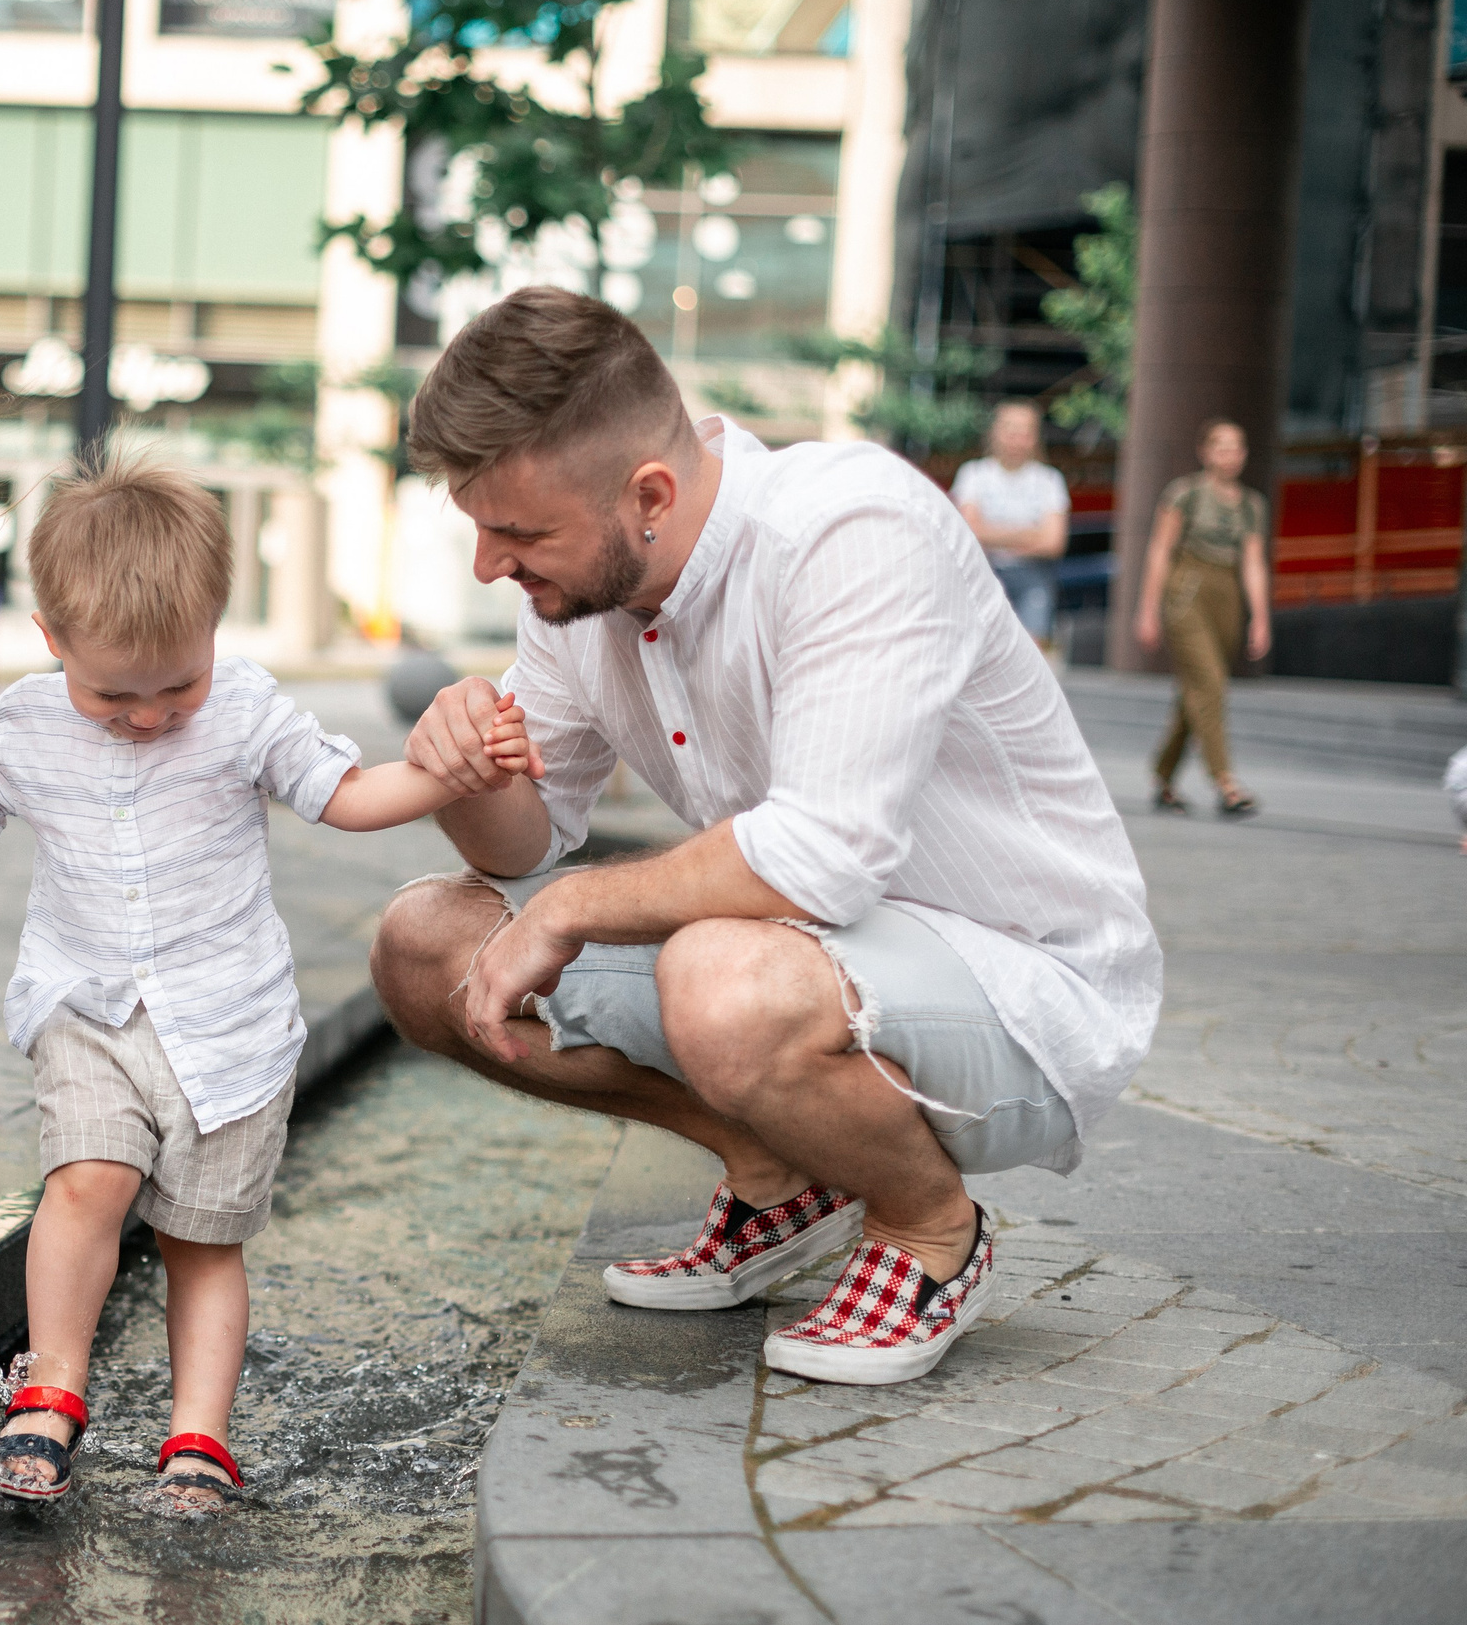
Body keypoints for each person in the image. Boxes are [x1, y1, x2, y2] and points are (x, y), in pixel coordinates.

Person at [370, 288, 1161, 1387]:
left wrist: (573, 906)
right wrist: (467, 771)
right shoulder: (576, 594)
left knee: (721, 978)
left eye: (519, 534)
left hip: (1022, 988)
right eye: (479, 527)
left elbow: (821, 857)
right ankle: (780, 1171)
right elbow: (519, 851)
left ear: (649, 495)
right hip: (806, 959)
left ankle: (929, 1228)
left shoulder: (850, 529)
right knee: (424, 945)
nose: (487, 565)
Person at [0, 455, 531, 1504]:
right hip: (87, 1009)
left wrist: (450, 774)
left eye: (178, 686)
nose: (150, 715)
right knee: (85, 1182)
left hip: (230, 1026)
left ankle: (198, 1436)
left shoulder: (244, 708)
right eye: (114, 693)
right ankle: (50, 1390)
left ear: (213, 631)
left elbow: (344, 796)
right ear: (52, 639)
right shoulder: (28, 723)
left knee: (201, 1245)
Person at [1135, 418, 1272, 817]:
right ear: (1205, 451)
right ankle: (1225, 782)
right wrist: (1148, 609)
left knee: (1195, 690)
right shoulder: (1185, 494)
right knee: (1210, 683)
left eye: (1237, 447)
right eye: (1221, 447)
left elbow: (1253, 563)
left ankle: (1163, 775)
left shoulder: (1251, 504)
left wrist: (1260, 617)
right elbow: (1160, 550)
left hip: (1226, 593)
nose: (1230, 456)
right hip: (1188, 588)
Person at [949, 400, 1069, 648]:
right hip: (983, 575)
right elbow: (969, 532)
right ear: (995, 433)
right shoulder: (973, 474)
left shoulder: (1049, 480)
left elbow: (1053, 543)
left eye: (1025, 432)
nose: (1017, 440)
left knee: (1033, 651)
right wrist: (1031, 534)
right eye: (1011, 430)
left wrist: (992, 535)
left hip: (1033, 578)